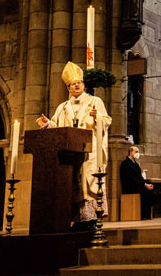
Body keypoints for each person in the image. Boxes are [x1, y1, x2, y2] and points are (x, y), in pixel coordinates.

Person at [36, 61, 112, 230]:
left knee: (88, 182)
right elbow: (58, 128)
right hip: (70, 153)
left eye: (78, 83)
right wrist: (48, 124)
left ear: (83, 85)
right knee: (71, 184)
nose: (75, 86)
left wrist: (96, 117)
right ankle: (76, 220)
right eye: (72, 84)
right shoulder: (62, 107)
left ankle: (91, 220)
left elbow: (106, 121)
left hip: (89, 151)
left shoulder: (95, 101)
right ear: (68, 87)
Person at [120, 146, 157, 220]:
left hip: (138, 186)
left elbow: (140, 177)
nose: (138, 154)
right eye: (136, 152)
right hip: (130, 187)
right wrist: (144, 185)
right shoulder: (125, 164)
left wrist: (146, 184)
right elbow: (130, 178)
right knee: (148, 194)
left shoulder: (136, 164)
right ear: (130, 153)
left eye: (138, 152)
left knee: (156, 194)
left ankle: (145, 214)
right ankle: (143, 215)